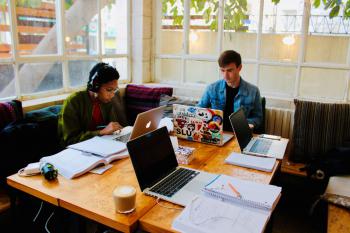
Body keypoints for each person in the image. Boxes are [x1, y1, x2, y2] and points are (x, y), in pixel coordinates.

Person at [58, 62, 127, 147]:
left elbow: (111, 129)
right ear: (95, 87)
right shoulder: (73, 102)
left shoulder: (107, 101)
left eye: (115, 90)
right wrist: (101, 132)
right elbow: (70, 140)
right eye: (109, 90)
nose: (112, 95)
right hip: (76, 152)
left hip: (100, 147)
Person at [197, 50, 262, 131]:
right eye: (222, 70)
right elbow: (198, 111)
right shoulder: (211, 88)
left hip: (239, 135)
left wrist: (249, 124)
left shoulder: (253, 91)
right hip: (216, 133)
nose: (225, 76)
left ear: (239, 68)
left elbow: (258, 118)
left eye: (229, 70)